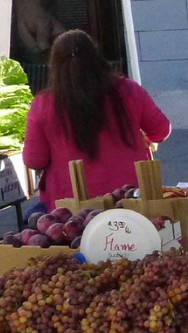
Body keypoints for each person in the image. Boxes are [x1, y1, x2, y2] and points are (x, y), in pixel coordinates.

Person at [22, 29, 171, 210]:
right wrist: (146, 139)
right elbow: (162, 129)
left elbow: (34, 160)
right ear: (96, 57)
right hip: (132, 198)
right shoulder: (129, 90)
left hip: (71, 207)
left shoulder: (43, 105)